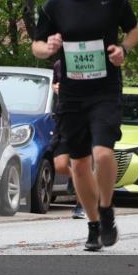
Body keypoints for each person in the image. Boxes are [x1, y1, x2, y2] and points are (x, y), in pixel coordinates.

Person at [32, 0, 138, 251]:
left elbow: (135, 30)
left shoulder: (113, 0)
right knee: (78, 165)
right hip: (71, 94)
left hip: (105, 90)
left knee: (103, 153)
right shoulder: (54, 6)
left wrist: (124, 49)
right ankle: (94, 225)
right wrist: (49, 47)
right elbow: (36, 46)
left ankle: (106, 210)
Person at [48, 60, 81, 218]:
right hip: (62, 118)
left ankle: (81, 205)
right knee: (60, 166)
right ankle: (75, 179)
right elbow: (54, 84)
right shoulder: (58, 64)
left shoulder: (86, 62)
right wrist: (56, 89)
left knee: (80, 164)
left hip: (81, 119)